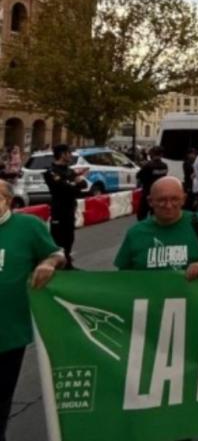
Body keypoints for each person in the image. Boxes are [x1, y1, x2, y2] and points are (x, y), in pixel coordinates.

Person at [0, 180, 64, 441]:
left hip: (7, 333)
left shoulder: (27, 227)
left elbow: (58, 254)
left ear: (8, 200)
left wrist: (49, 262)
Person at [114, 177, 198, 277]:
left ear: (184, 199)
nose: (168, 205)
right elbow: (123, 275)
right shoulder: (135, 233)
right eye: (162, 200)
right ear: (150, 201)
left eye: (175, 199)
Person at [43, 144, 87, 270]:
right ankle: (56, 265)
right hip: (59, 210)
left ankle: (67, 263)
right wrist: (74, 184)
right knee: (58, 240)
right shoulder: (51, 171)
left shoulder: (69, 170)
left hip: (70, 209)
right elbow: (64, 189)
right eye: (69, 153)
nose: (71, 156)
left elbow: (82, 186)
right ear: (62, 154)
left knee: (69, 238)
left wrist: (74, 184)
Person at [136, 146, 169, 221]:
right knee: (155, 213)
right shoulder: (164, 166)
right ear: (161, 155)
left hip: (148, 192)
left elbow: (138, 176)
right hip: (159, 193)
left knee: (142, 214)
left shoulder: (148, 165)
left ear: (152, 154)